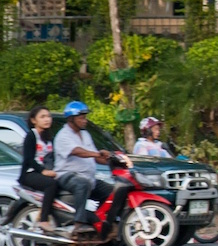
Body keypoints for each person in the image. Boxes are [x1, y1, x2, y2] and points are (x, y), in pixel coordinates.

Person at [53, 101, 129, 238]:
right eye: (81, 118)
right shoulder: (63, 136)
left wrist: (111, 158)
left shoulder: (85, 134)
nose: (85, 120)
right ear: (71, 119)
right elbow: (78, 152)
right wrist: (98, 153)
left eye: (85, 117)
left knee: (114, 192)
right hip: (68, 176)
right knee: (82, 184)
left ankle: (101, 223)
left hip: (89, 178)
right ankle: (79, 223)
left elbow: (96, 156)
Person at [11, 106, 59, 233]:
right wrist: (42, 170)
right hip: (30, 173)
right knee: (51, 184)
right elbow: (28, 159)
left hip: (46, 172)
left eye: (48, 116)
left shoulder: (49, 138)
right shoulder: (31, 136)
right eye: (42, 117)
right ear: (33, 120)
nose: (47, 119)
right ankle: (43, 220)